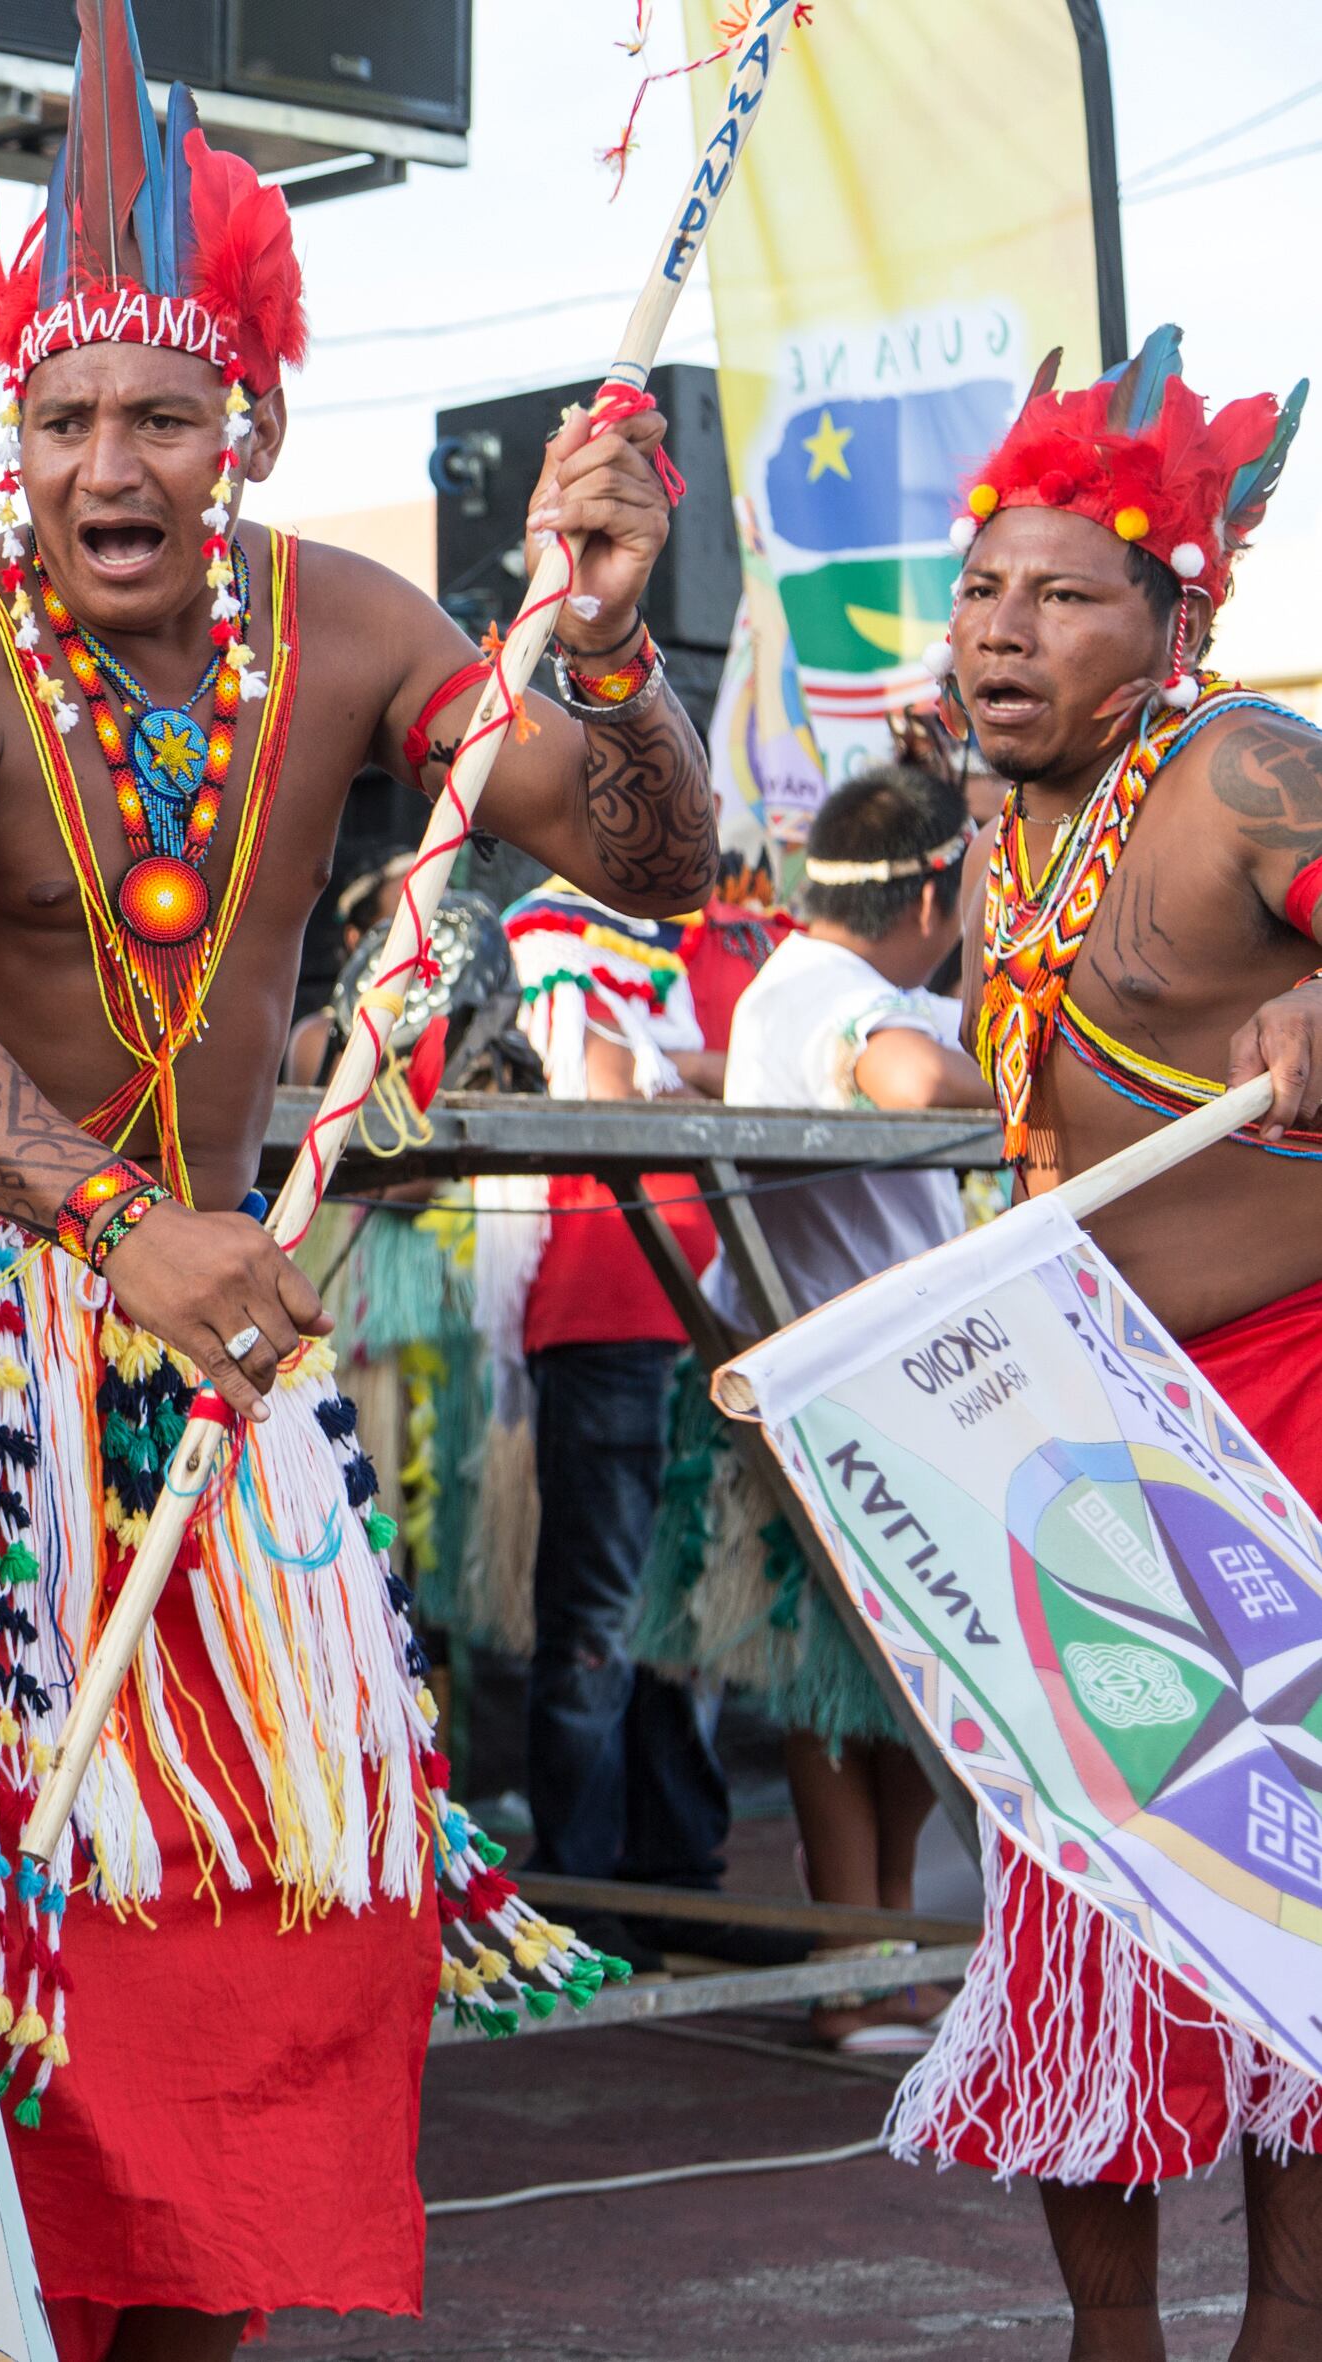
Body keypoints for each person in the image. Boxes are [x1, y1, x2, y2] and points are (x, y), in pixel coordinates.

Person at [0, 5, 709, 2345]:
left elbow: (646, 855)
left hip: (213, 1343)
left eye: (160, 417)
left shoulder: (349, 626)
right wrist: (116, 1223)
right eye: (67, 416)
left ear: (244, 432)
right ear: (22, 435)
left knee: (277, 1911)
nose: (110, 462)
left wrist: (606, 642)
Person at [880, 327, 1322, 2360]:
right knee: (1085, 1899)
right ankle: (1111, 2340)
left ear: (1169, 616)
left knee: (1283, 1890)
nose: (1000, 628)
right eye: (981, 584)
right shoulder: (1001, 818)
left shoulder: (1239, 764)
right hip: (1079, 1420)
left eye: (1061, 595)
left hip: (1287, 1403)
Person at [642, 761, 990, 2049]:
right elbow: (902, 1081)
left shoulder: (809, 982)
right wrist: (1032, 1095)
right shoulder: (838, 997)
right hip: (831, 1386)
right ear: (936, 884)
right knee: (836, 1687)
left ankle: (884, 1935)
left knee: (883, 1689)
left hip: (866, 1380)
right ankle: (853, 1960)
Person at [495, 876, 742, 1961]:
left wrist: (675, 1066)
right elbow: (600, 1082)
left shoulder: (711, 942)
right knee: (600, 1612)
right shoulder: (555, 935)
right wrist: (684, 1071)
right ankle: (582, 1887)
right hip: (607, 1311)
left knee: (679, 1614)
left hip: (702, 1311)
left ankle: (672, 1872)